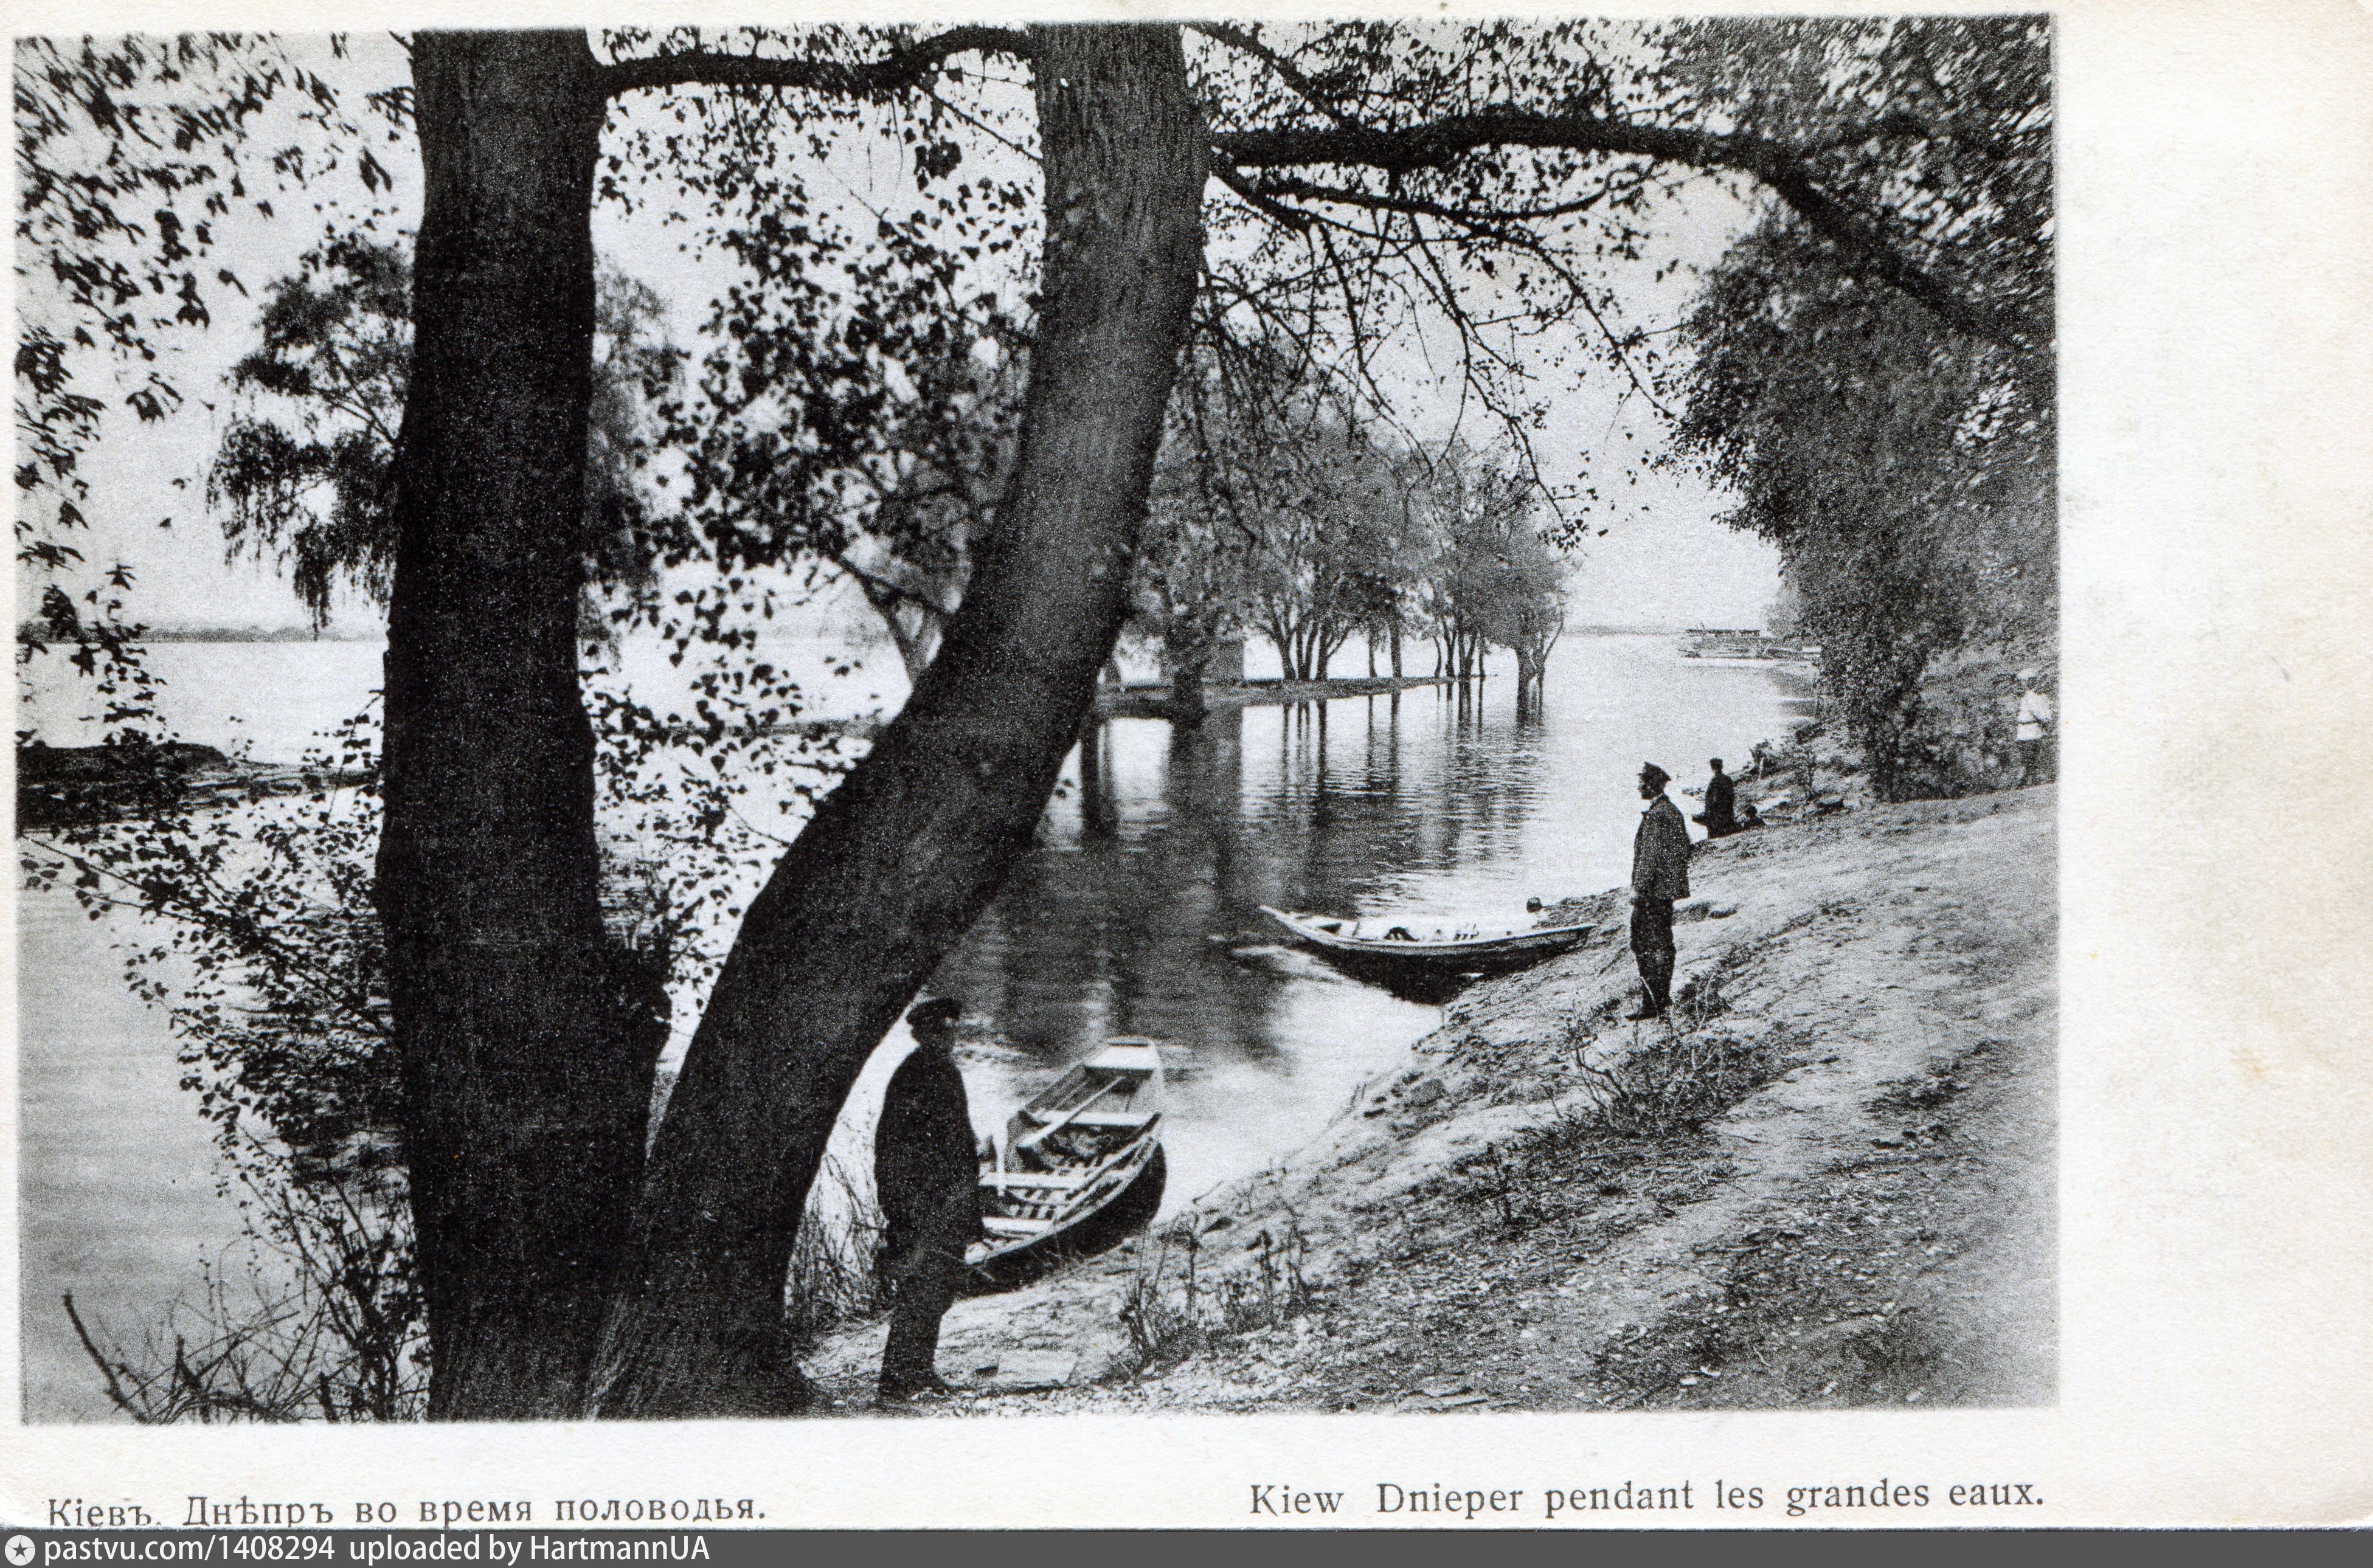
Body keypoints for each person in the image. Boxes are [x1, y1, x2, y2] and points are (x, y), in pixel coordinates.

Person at [873, 996, 983, 1401]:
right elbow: (894, 1148)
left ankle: (920, 1368)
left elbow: (953, 1136)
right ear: (922, 1034)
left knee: (941, 1285)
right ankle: (898, 1377)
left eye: (952, 1029)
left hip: (948, 1199)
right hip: (924, 1202)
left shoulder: (943, 1070)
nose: (947, 1037)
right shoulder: (914, 1074)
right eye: (938, 1030)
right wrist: (905, 1206)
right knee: (920, 1286)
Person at [1627, 762, 1692, 1020]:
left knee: (1644, 943)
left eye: (1642, 782)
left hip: (1651, 894)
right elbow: (1686, 847)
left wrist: (1639, 889)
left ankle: (1652, 1004)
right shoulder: (1672, 812)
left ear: (1651, 785)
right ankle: (1661, 1000)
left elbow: (1649, 858)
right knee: (1663, 943)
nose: (1639, 787)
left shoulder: (1657, 815)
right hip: (1664, 893)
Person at [2015, 668, 2056, 786]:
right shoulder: (2028, 697)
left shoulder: (2032, 697)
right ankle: (2026, 782)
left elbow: (2041, 714)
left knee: (2030, 758)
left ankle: (2029, 782)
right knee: (2029, 758)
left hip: (2030, 731)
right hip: (2026, 731)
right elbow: (2041, 715)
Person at [1700, 758, 1738, 838]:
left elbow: (1713, 798)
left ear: (1713, 767)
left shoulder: (1714, 781)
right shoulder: (1728, 779)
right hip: (1728, 812)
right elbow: (1732, 796)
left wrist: (1708, 811)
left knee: (1715, 833)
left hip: (1717, 814)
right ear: (1722, 766)